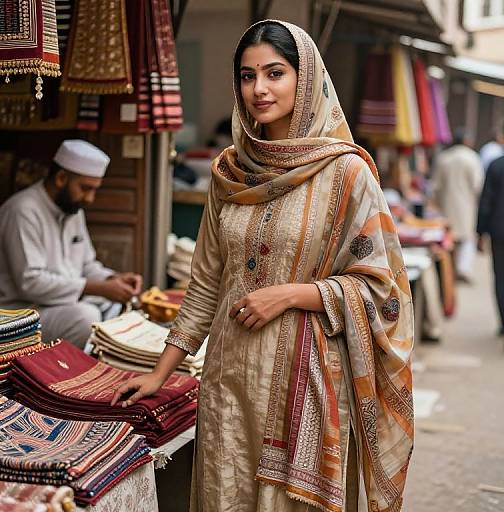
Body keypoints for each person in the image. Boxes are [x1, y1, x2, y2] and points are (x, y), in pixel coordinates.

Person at [112, 21, 414, 512]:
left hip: (307, 383)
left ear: (306, 77)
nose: (259, 89)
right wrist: (160, 372)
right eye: (247, 76)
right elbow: (206, 282)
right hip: (228, 378)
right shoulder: (230, 172)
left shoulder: (346, 172)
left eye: (275, 73)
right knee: (224, 492)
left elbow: (384, 290)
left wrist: (293, 294)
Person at [0, 139, 142, 348]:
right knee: (86, 316)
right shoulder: (22, 210)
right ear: (61, 178)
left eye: (94, 190)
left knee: (120, 304)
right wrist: (97, 288)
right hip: (20, 313)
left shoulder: (73, 210)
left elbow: (87, 265)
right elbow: (30, 283)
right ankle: (70, 373)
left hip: (60, 303)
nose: (90, 198)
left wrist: (113, 279)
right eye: (85, 189)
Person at [477, 118, 504, 346]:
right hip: (501, 231)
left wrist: (480, 232)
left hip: (500, 233)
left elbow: (486, 200)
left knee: (500, 278)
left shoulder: (497, 164)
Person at [432, 128, 483, 282]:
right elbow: (477, 185)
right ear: (467, 141)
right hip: (466, 204)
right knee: (466, 238)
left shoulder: (444, 157)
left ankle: (450, 269)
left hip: (446, 204)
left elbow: (436, 185)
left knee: (448, 238)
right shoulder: (472, 157)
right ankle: (463, 269)